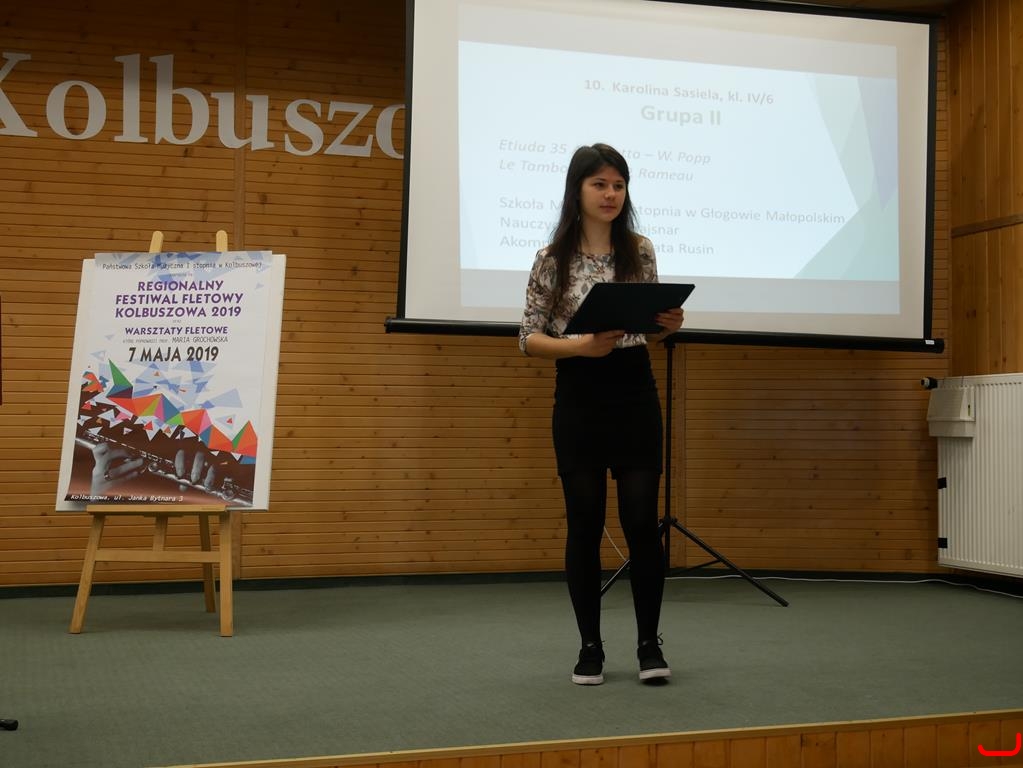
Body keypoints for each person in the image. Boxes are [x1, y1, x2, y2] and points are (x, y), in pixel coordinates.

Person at [518, 143, 685, 685]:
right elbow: (528, 338)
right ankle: (590, 648)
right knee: (585, 524)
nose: (611, 194)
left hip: (634, 389)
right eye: (600, 184)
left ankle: (648, 645)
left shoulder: (641, 250)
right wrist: (580, 348)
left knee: (641, 523)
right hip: (580, 393)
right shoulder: (552, 258)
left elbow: (647, 330)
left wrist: (667, 327)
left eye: (618, 184)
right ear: (578, 190)